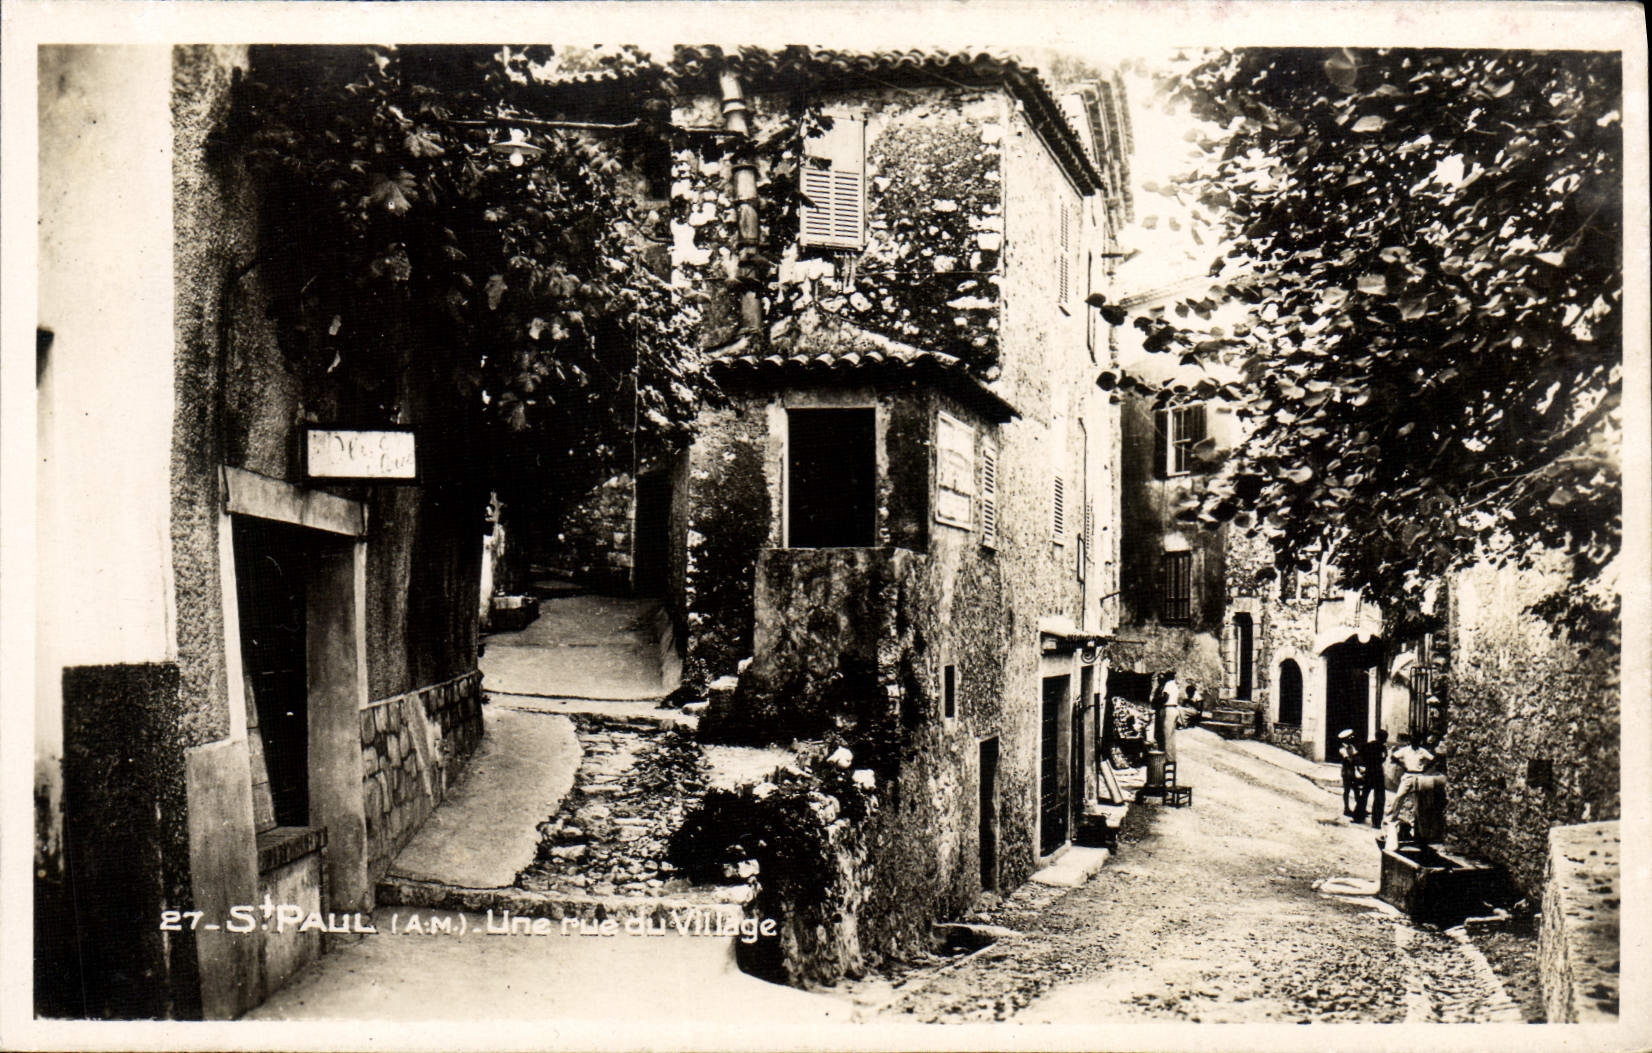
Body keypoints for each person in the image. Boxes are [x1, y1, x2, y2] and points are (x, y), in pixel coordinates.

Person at [1383, 732, 1435, 850]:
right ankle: (1392, 818)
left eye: (1417, 740)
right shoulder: (1405, 750)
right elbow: (1393, 757)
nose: (1415, 742)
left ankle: (1419, 828)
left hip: (1419, 776)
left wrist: (1425, 768)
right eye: (1413, 740)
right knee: (1399, 796)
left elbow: (1433, 759)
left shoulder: (1422, 751)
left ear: (1420, 742)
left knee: (1419, 801)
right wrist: (1402, 765)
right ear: (1411, 741)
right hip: (1408, 775)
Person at [1354, 729, 1388, 827]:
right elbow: (1383, 758)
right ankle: (1376, 822)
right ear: (1384, 738)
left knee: (1364, 795)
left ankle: (1358, 817)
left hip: (1369, 772)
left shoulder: (1367, 745)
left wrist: (1361, 768)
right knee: (1379, 797)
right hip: (1378, 773)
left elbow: (1358, 757)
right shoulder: (1383, 748)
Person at [1337, 729, 1362, 817]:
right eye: (1350, 737)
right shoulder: (1342, 749)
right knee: (1347, 790)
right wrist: (1356, 760)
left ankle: (1359, 808)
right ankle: (1346, 808)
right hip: (1346, 772)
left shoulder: (1351, 747)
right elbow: (1350, 760)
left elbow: (1356, 757)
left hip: (1352, 771)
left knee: (1356, 790)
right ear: (1345, 739)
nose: (1352, 738)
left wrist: (1358, 767)